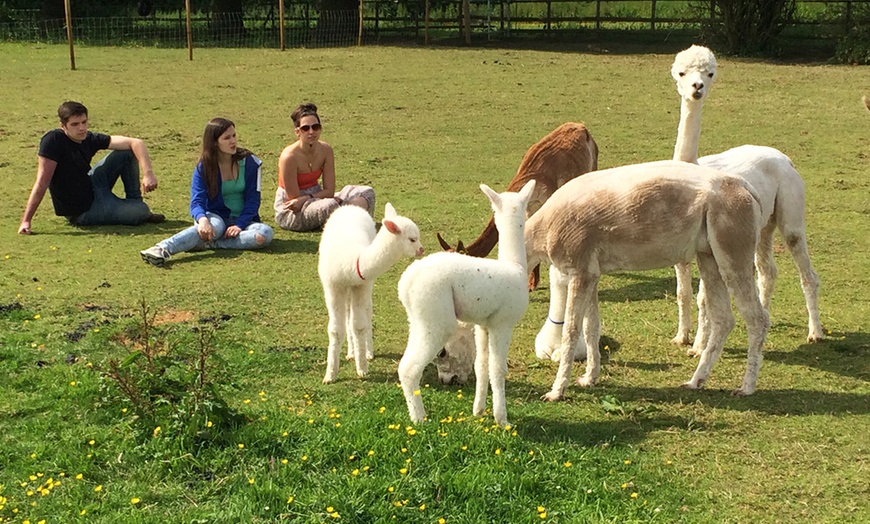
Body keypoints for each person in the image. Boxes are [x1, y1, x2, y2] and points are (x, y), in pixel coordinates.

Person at [139, 117, 273, 267]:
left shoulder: (250, 163)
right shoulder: (204, 166)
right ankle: (162, 248)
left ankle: (210, 244)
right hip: (215, 217)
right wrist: (202, 220)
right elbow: (197, 201)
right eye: (227, 138)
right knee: (215, 227)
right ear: (215, 142)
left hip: (243, 221)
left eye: (234, 135)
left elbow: (253, 200)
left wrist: (240, 225)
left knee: (264, 234)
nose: (233, 141)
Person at [18, 101, 164, 234]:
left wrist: (148, 173)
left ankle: (134, 201)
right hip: (84, 210)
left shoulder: (88, 138)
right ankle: (139, 210)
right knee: (141, 211)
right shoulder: (53, 141)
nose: (81, 128)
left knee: (126, 152)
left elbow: (136, 142)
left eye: (84, 122)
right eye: (75, 124)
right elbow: (42, 182)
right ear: (63, 126)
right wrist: (26, 220)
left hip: (93, 184)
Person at [274, 102, 375, 231]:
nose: (311, 132)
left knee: (366, 192)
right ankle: (346, 221)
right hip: (293, 211)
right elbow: (296, 201)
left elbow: (330, 190)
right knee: (330, 205)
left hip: (319, 197)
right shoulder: (289, 157)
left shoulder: (326, 150)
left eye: (315, 127)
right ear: (297, 132)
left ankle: (337, 222)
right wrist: (324, 199)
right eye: (306, 128)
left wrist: (313, 197)